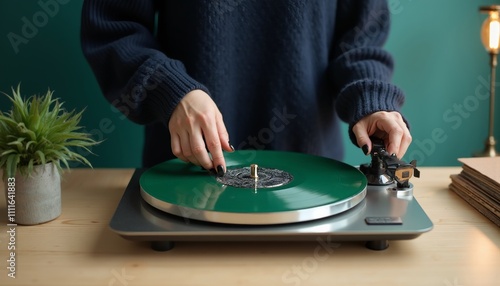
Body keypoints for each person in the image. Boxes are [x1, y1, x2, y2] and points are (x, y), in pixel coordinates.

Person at [80, 0, 411, 176]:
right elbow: (114, 29)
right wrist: (171, 91)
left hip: (315, 190)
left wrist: (371, 99)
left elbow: (359, 37)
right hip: (185, 179)